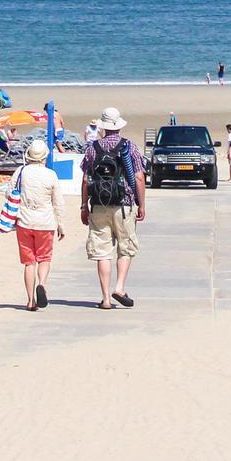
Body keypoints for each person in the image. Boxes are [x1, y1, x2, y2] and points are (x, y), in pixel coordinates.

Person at [80, 106, 146, 309]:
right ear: (119, 126)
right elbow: (139, 177)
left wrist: (83, 206)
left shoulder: (93, 148)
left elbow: (86, 179)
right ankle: (119, 287)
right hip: (124, 204)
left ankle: (106, 298)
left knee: (102, 252)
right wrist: (141, 204)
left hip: (99, 204)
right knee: (125, 248)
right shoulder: (129, 147)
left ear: (103, 126)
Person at [11, 140, 61, 311]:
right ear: (44, 157)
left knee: (29, 262)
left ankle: (31, 300)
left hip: (24, 221)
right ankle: (42, 284)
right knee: (44, 258)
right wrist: (61, 224)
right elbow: (58, 202)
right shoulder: (51, 175)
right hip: (45, 222)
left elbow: (9, 193)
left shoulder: (21, 171)